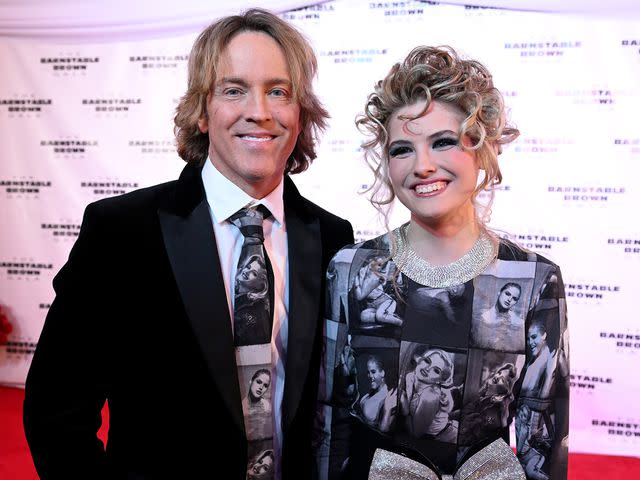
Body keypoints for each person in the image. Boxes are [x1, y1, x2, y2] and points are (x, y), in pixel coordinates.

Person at [23, 8, 353, 480]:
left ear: (299, 114)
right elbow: (55, 414)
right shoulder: (120, 232)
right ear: (201, 111)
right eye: (233, 90)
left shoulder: (331, 237)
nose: (258, 111)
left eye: (278, 92)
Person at [315, 45, 568, 479]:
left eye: (443, 142)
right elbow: (330, 420)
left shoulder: (533, 279)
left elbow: (542, 436)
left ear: (482, 148)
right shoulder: (352, 269)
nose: (423, 166)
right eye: (402, 150)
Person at [472, 281, 524, 351]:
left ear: (516, 302)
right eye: (507, 294)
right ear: (499, 292)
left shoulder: (519, 323)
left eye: (514, 298)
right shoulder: (483, 318)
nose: (509, 299)